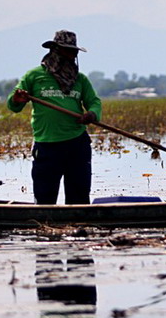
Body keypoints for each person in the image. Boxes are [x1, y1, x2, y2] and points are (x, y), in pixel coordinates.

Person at [7, 30, 102, 205]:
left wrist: (92, 114)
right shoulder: (34, 76)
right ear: (55, 50)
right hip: (47, 146)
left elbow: (94, 102)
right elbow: (14, 105)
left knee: (79, 198)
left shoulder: (80, 79)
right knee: (44, 198)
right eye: (67, 51)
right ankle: (46, 229)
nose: (71, 56)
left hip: (77, 145)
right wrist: (16, 98)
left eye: (74, 52)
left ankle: (78, 227)